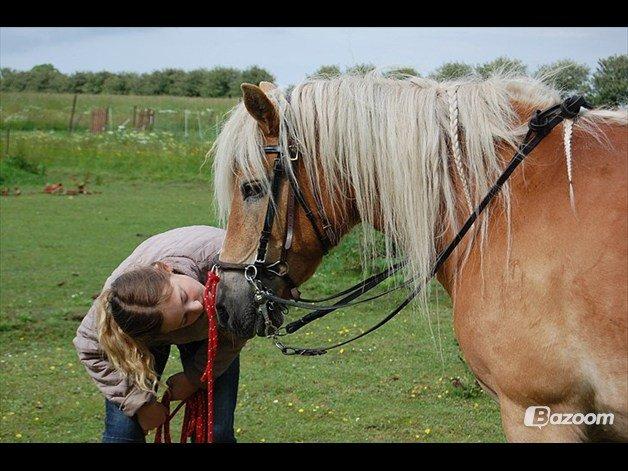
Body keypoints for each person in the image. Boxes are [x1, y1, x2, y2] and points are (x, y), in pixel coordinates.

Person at [73, 225, 246, 443]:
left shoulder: (230, 263)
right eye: (184, 317)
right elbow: (90, 348)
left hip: (217, 329)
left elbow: (239, 327)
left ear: (166, 269)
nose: (197, 307)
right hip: (149, 330)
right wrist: (139, 402)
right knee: (123, 434)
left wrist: (195, 377)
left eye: (183, 296)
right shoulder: (115, 314)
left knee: (215, 433)